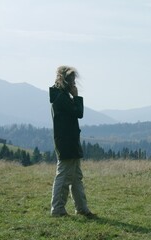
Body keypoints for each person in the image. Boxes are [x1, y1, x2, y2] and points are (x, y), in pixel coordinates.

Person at [49, 66, 96, 218]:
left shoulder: (60, 96)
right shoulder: (61, 98)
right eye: (72, 81)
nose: (74, 85)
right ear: (66, 81)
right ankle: (57, 209)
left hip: (69, 141)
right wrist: (76, 97)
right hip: (67, 142)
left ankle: (82, 208)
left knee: (76, 177)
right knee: (63, 177)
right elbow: (78, 113)